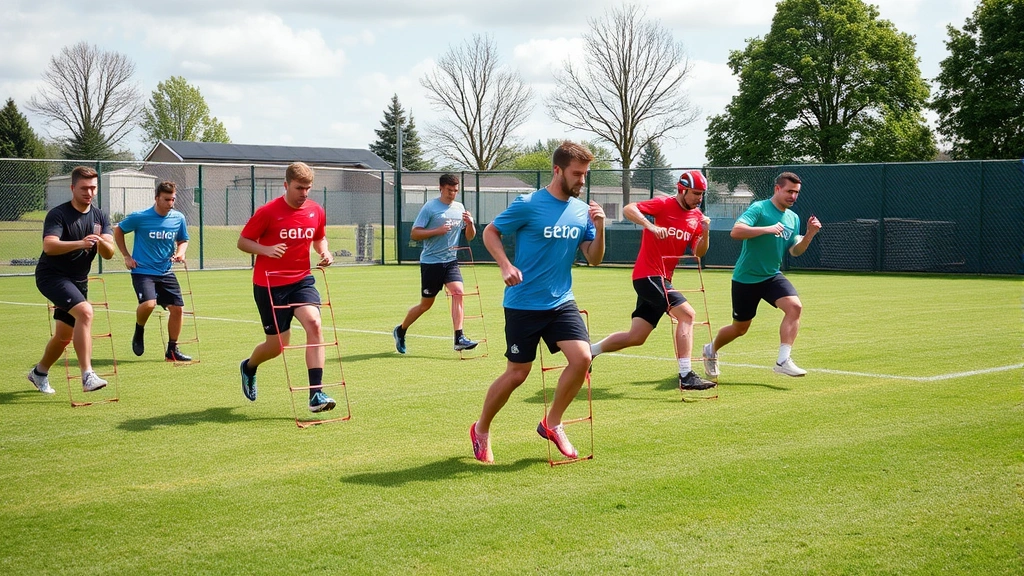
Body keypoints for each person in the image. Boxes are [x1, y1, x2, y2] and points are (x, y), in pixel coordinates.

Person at [470, 141, 605, 464]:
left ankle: (552, 422)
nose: (582, 181)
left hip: (561, 302)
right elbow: (491, 232)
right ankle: (481, 429)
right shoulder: (528, 204)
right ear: (557, 170)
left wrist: (600, 227)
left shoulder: (581, 212)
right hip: (523, 303)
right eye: (577, 174)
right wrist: (505, 265)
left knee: (582, 358)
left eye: (585, 175)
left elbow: (594, 258)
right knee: (518, 374)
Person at [589, 170, 715, 391]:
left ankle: (590, 351)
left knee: (637, 336)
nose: (699, 198)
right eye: (695, 193)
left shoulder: (696, 217)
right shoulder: (664, 204)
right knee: (687, 315)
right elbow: (629, 209)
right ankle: (686, 375)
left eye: (702, 194)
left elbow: (698, 252)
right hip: (648, 275)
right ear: (682, 190)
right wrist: (651, 226)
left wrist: (705, 233)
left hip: (662, 278)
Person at [236, 162, 337, 413]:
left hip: (301, 279)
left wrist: (324, 251)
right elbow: (243, 241)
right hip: (269, 284)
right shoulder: (268, 212)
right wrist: (266, 250)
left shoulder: (316, 210)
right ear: (286, 185)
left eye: (308, 188)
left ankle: (316, 394)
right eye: (299, 188)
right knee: (278, 346)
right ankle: (249, 367)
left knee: (314, 324)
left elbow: (319, 237)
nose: (304, 193)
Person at [703, 171, 822, 379]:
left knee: (795, 307)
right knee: (740, 328)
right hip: (746, 278)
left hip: (771, 276)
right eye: (789, 191)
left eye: (796, 193)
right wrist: (767, 229)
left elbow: (795, 250)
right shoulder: (759, 208)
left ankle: (783, 361)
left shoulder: (793, 218)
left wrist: (809, 234)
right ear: (777, 189)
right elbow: (736, 231)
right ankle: (711, 349)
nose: (793, 196)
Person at [27, 166, 115, 395]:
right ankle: (87, 375)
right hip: (52, 276)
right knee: (85, 312)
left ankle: (39, 372)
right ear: (73, 188)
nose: (90, 192)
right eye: (84, 188)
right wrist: (81, 243)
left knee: (64, 336)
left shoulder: (100, 216)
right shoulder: (58, 214)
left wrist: (102, 242)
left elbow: (109, 253)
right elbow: (49, 246)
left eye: (93, 187)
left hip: (78, 280)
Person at [392, 173, 478, 354]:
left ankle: (459, 337)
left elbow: (469, 237)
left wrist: (470, 224)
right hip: (431, 263)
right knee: (426, 305)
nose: (452, 194)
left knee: (458, 292)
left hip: (451, 261)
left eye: (455, 190)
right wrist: (437, 230)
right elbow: (415, 234)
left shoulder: (459, 207)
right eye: (449, 190)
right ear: (440, 188)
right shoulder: (430, 208)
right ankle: (401, 330)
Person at [113, 181, 192, 362]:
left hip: (165, 271)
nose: (170, 203)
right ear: (156, 198)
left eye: (173, 199)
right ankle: (139, 329)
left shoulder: (178, 218)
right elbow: (119, 231)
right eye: (166, 199)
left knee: (178, 309)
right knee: (149, 304)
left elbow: (183, 240)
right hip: (143, 271)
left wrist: (180, 253)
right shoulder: (140, 217)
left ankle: (172, 350)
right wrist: (126, 256)